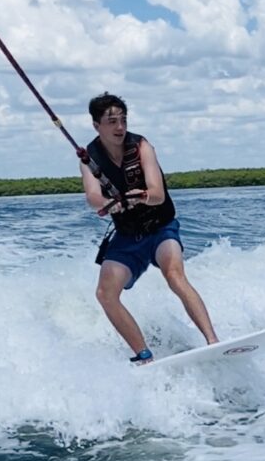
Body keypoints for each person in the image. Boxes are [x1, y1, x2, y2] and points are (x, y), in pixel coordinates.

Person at [80, 93, 218, 363]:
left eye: (123, 120)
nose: (120, 127)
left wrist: (141, 195)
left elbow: (158, 194)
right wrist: (109, 203)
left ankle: (212, 340)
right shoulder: (89, 158)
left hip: (161, 228)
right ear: (97, 126)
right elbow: (92, 198)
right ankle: (143, 355)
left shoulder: (141, 146)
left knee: (174, 274)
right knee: (105, 293)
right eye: (112, 122)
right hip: (128, 236)